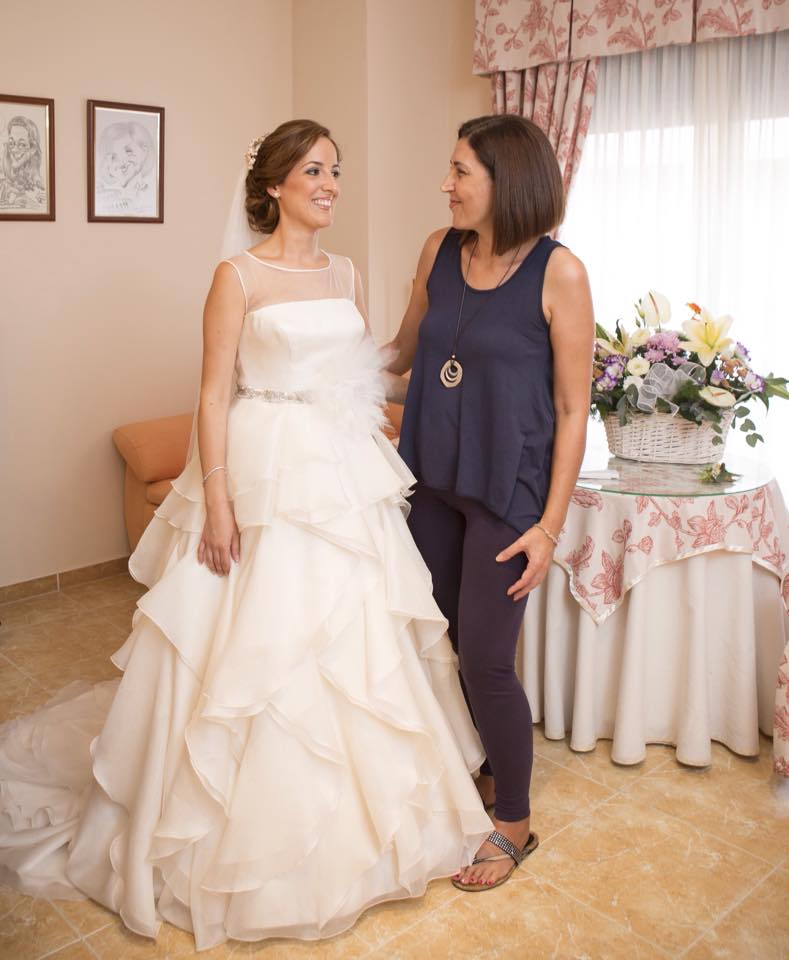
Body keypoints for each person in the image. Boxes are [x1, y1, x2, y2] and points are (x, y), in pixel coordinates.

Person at [0, 119, 492, 950]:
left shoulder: (344, 270)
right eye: (313, 170)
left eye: (335, 169)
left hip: (336, 470)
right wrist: (219, 501)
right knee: (250, 650)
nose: (330, 183)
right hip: (262, 469)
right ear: (272, 186)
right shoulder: (236, 274)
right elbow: (212, 395)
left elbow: (365, 368)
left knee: (356, 640)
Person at [388, 114, 594, 892]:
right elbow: (402, 353)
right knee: (436, 645)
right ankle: (472, 768)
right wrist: (311, 366)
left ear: (505, 181)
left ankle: (513, 818)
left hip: (508, 495)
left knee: (484, 657)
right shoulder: (438, 251)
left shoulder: (558, 272)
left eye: (458, 171)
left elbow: (574, 409)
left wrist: (548, 526)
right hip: (430, 480)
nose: (445, 184)